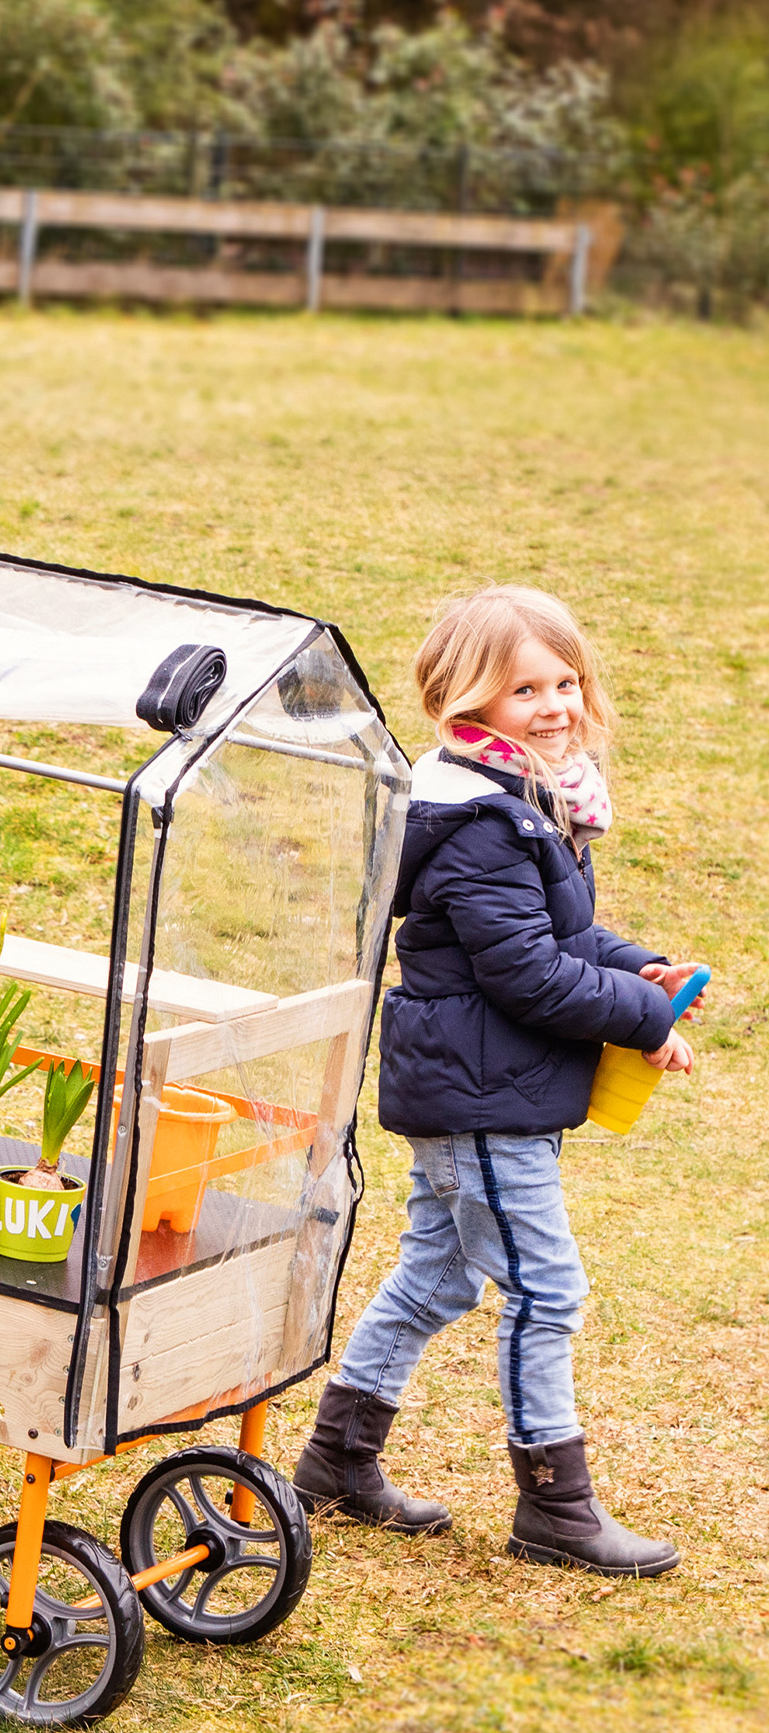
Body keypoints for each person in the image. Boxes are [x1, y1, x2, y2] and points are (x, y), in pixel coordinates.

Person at [293, 584, 701, 1578]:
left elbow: (555, 937)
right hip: (479, 1093)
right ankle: (553, 1506)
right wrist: (640, 1017)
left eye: (564, 680)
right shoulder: (480, 819)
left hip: (483, 1084)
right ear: (464, 701)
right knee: (544, 1286)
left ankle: (335, 1457)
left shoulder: (519, 798)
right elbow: (523, 974)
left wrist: (636, 964)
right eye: (525, 687)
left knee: (437, 1271)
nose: (555, 702)